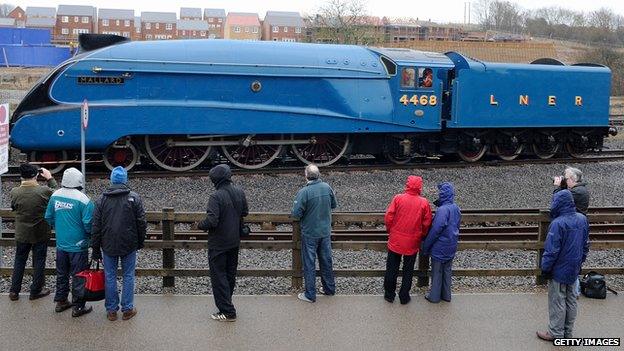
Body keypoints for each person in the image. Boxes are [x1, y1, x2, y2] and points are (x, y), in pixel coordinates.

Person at [91, 166, 146, 321]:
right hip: (129, 244)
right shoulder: (134, 197)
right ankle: (127, 309)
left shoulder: (102, 199)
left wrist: (95, 248)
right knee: (128, 275)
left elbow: (96, 226)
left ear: (112, 180)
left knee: (110, 276)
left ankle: (111, 311)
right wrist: (140, 241)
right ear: (125, 180)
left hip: (108, 244)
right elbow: (141, 222)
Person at [536, 190, 589, 341]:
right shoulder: (582, 219)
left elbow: (551, 251)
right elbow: (586, 245)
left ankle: (555, 333)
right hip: (574, 267)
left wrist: (545, 269)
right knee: (571, 301)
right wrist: (580, 261)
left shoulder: (558, 223)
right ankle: (568, 333)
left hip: (559, 270)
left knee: (557, 301)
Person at [198, 164, 248, 322]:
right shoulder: (239, 192)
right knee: (229, 275)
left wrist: (200, 224)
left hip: (218, 243)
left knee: (218, 277)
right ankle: (226, 304)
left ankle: (228, 312)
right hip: (234, 241)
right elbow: (245, 212)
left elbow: (212, 221)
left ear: (215, 180)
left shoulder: (216, 196)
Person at [45, 167, 94, 317]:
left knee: (62, 274)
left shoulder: (55, 196)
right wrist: (89, 238)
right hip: (78, 246)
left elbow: (48, 217)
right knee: (79, 275)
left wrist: (59, 227)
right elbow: (89, 225)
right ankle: (78, 306)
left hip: (61, 244)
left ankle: (61, 301)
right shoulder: (84, 200)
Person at [8, 164, 57, 301]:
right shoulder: (44, 191)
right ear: (36, 176)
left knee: (19, 260)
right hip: (40, 233)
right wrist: (50, 178)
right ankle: (35, 291)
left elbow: (13, 207)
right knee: (39, 261)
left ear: (21, 177)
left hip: (22, 233)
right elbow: (56, 193)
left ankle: (14, 291)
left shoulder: (14, 192)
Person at [291, 164, 337, 303]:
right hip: (325, 232)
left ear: (306, 176)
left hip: (310, 233)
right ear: (319, 175)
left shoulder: (304, 192)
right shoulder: (327, 187)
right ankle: (329, 289)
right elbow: (333, 205)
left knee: (309, 264)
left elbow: (296, 214)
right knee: (326, 261)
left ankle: (310, 294)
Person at [383, 175, 432, 304]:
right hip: (412, 241)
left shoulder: (398, 198)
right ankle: (404, 296)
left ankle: (389, 295)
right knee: (408, 270)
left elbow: (389, 217)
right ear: (420, 187)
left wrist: (390, 230)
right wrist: (422, 235)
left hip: (396, 239)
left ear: (408, 184)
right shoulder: (424, 202)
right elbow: (426, 223)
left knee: (392, 267)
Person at [421, 182, 461, 303]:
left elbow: (435, 230)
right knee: (447, 271)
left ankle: (434, 297)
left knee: (437, 272)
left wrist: (426, 247)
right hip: (452, 245)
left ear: (442, 195)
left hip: (440, 247)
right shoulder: (456, 208)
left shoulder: (442, 210)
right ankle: (446, 295)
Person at [553, 166, 589, 297]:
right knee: (574, 258)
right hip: (575, 228)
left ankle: (574, 291)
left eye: (565, 178)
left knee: (570, 258)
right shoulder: (580, 189)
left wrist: (558, 187)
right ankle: (573, 290)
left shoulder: (577, 192)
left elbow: (557, 203)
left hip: (573, 229)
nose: (564, 180)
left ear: (573, 179)